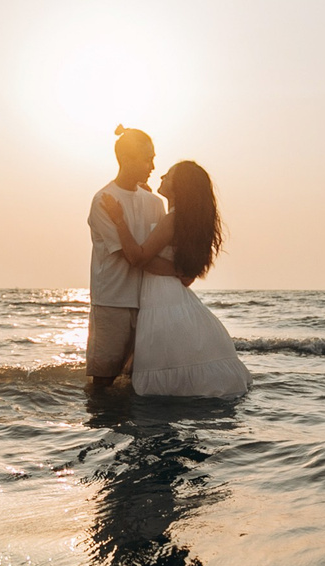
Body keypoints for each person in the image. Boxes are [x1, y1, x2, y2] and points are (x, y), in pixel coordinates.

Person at [98, 157, 251, 398]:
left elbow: (138, 257)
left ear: (179, 186)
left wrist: (119, 219)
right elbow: (187, 275)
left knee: (157, 369)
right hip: (170, 292)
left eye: (168, 176)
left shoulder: (172, 220)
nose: (161, 177)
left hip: (159, 295)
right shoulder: (183, 221)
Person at [86, 126, 165, 390]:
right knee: (103, 382)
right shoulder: (103, 200)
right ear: (127, 159)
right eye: (147, 158)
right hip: (112, 302)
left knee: (136, 383)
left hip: (147, 303)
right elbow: (132, 256)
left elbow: (159, 248)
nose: (153, 165)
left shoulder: (155, 203)